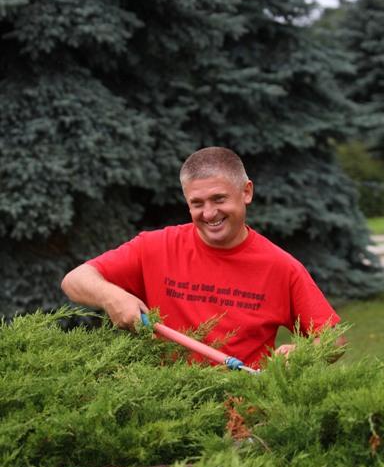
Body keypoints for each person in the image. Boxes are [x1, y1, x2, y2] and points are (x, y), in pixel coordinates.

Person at [61, 147, 345, 368]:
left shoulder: (281, 267)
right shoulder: (155, 247)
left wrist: (304, 352)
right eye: (197, 203)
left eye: (219, 199)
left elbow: (335, 340)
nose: (209, 213)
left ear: (246, 192)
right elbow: (75, 280)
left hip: (245, 421)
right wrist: (112, 296)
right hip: (166, 413)